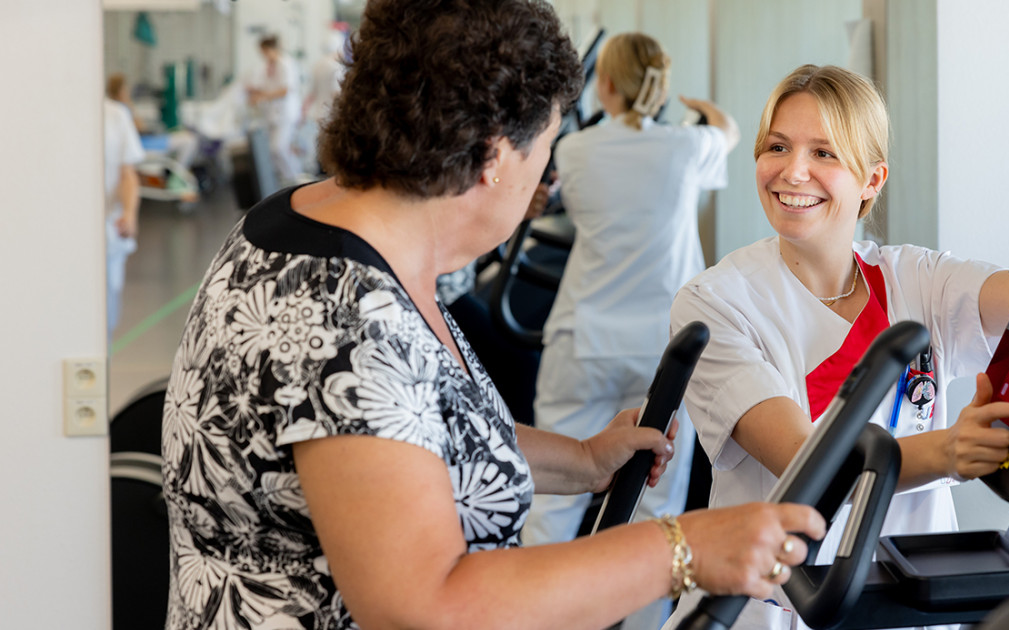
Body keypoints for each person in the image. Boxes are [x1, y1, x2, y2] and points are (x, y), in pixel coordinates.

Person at [161, 3, 826, 629]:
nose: (543, 174)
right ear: (495, 156)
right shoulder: (346, 321)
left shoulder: (313, 223)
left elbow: (415, 430)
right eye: (544, 149)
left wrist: (582, 459)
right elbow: (426, 606)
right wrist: (682, 548)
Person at [664, 64, 1009, 630]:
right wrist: (947, 452)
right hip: (771, 611)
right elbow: (805, 464)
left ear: (872, 180)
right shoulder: (715, 302)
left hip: (906, 608)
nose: (793, 171)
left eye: (824, 153)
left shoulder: (915, 278)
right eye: (777, 146)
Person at [523, 31, 739, 628]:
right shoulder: (687, 147)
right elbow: (727, 129)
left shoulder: (575, 150)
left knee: (550, 501)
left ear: (606, 84)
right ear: (659, 86)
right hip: (662, 351)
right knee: (655, 506)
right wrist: (691, 104)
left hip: (584, 341)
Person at [103, 87, 146, 340]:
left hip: (108, 227)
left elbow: (127, 174)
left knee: (104, 321)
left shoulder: (115, 115)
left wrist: (129, 214)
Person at [247, 34, 302, 184]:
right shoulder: (267, 66)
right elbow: (264, 86)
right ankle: (286, 179)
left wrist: (263, 96)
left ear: (272, 49)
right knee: (273, 151)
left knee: (278, 148)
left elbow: (285, 90)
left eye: (265, 51)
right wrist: (255, 92)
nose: (263, 55)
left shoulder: (286, 64)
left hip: (285, 113)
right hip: (272, 114)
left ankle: (295, 178)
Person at [301, 28, 348, 174]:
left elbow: (311, 94)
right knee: (330, 154)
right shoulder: (336, 67)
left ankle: (320, 174)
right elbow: (336, 94)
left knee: (320, 151)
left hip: (317, 114)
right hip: (331, 115)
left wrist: (303, 112)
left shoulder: (317, 65)